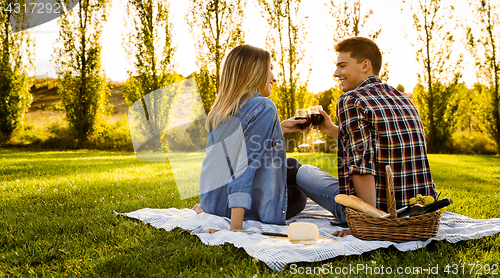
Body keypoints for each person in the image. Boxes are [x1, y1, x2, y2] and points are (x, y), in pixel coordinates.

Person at [297, 37, 438, 236]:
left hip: (380, 213)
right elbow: (381, 143)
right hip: (418, 210)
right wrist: (331, 130)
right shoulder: (402, 98)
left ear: (365, 65)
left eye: (342, 65)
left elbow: (361, 166)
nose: (336, 73)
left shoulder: (351, 100)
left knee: (301, 171)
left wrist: (369, 224)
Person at [192, 45, 310, 233]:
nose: (274, 77)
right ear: (255, 73)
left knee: (291, 165)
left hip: (212, 202)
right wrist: (236, 228)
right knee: (298, 190)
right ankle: (349, 206)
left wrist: (279, 128)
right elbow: (244, 168)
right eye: (270, 68)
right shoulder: (264, 106)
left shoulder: (222, 110)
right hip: (234, 210)